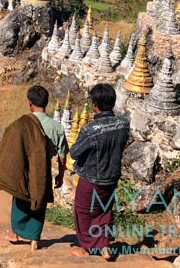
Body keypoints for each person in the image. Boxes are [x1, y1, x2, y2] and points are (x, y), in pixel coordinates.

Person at [0, 86, 58, 251]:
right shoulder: (57, 127)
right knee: (39, 200)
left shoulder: (23, 124)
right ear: (47, 102)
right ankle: (34, 240)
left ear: (30, 103)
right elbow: (62, 154)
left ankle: (15, 233)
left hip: (26, 170)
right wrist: (61, 174)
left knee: (20, 199)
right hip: (43, 171)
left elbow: (12, 146)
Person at [69, 83, 130, 261]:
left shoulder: (90, 130)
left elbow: (74, 152)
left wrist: (91, 127)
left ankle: (86, 247)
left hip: (91, 178)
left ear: (94, 104)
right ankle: (104, 246)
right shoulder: (123, 124)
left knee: (83, 212)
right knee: (104, 211)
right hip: (111, 177)